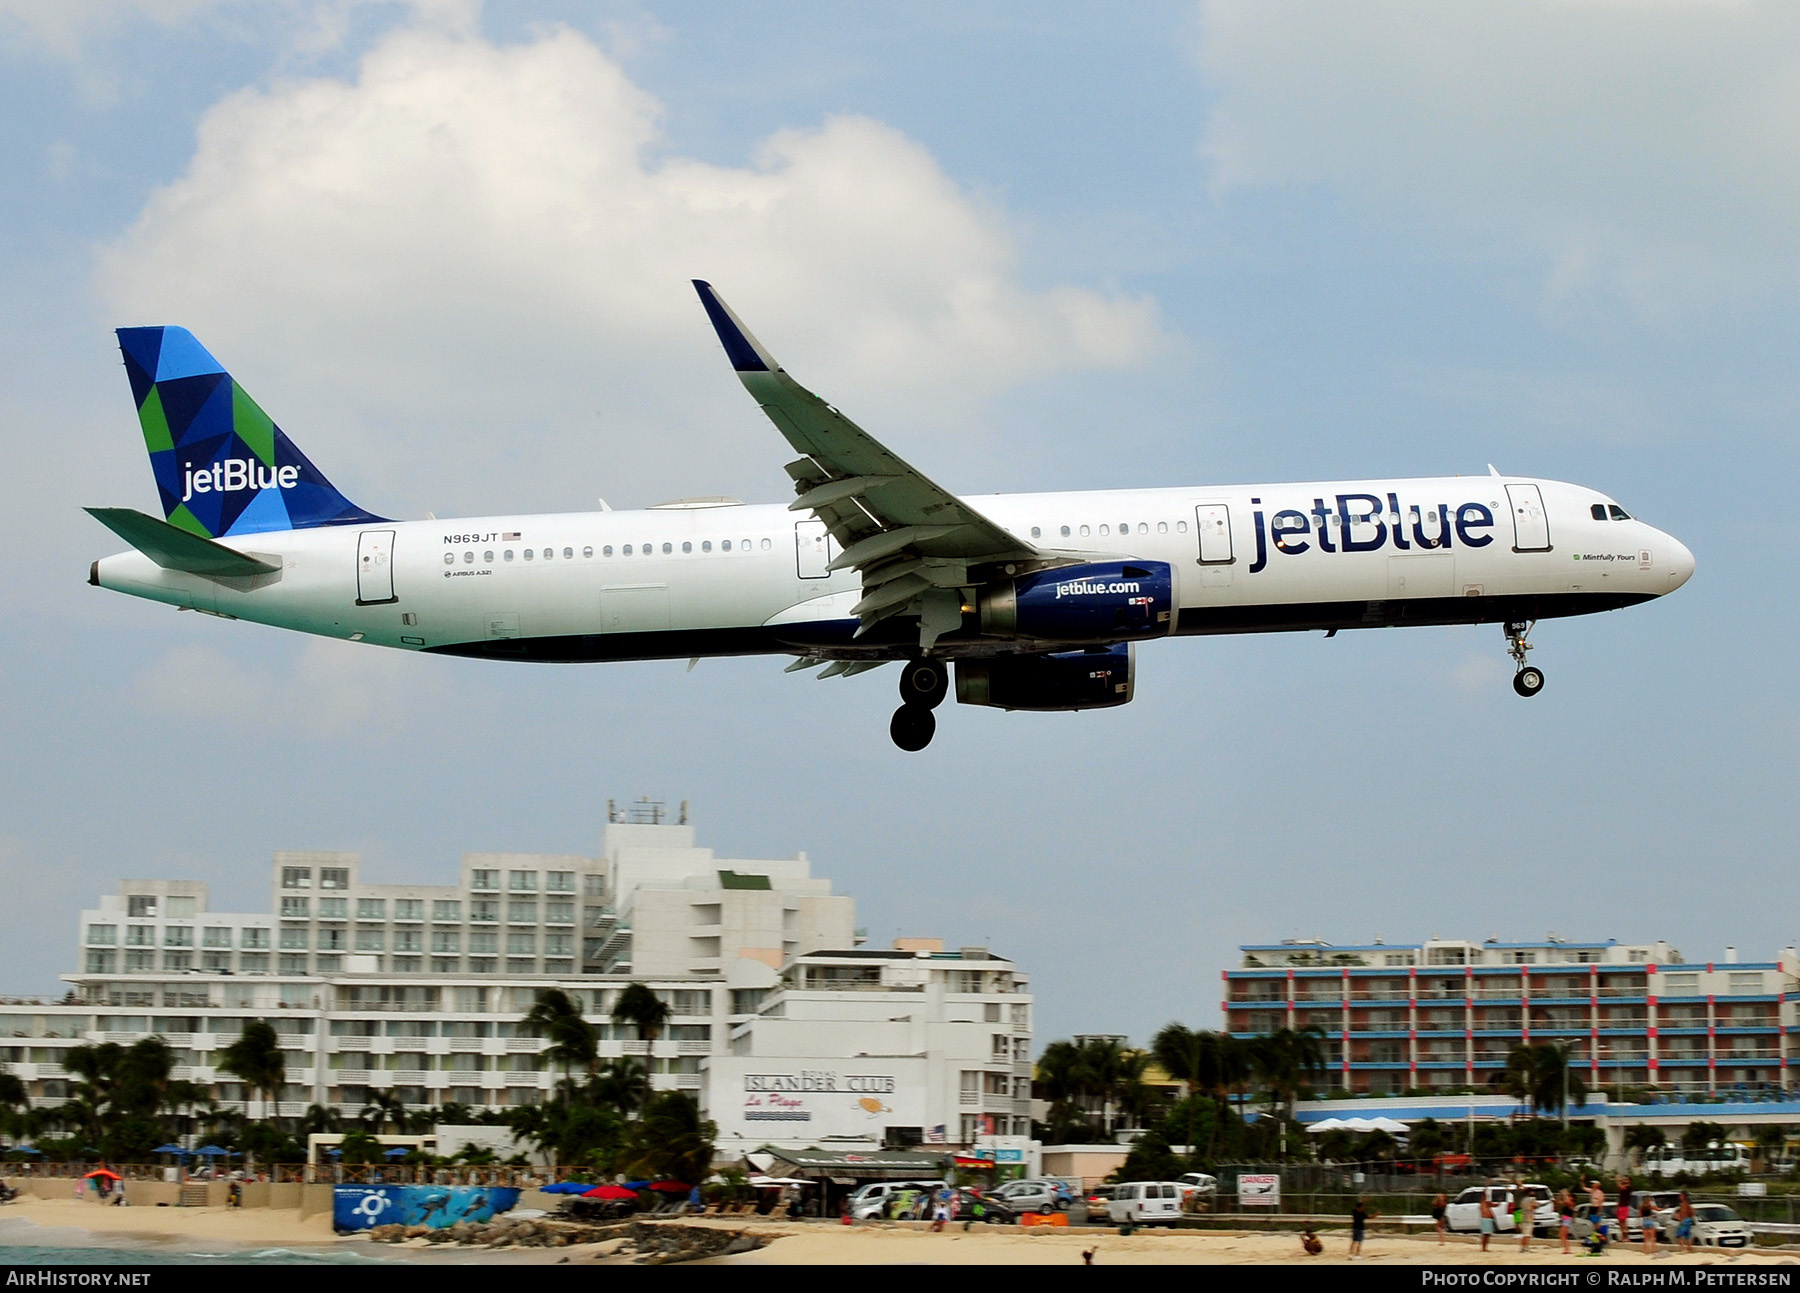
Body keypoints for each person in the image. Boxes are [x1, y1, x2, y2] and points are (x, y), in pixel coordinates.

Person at [1556, 1188, 1575, 1255]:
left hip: (1567, 1219)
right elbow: (1558, 1201)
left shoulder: (1571, 1203)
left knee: (1563, 1235)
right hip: (1565, 1219)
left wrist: (1565, 1194)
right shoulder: (1567, 1203)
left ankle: (1567, 1249)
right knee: (1561, 1235)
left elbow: (1567, 1201)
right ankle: (1566, 1248)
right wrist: (1560, 1195)